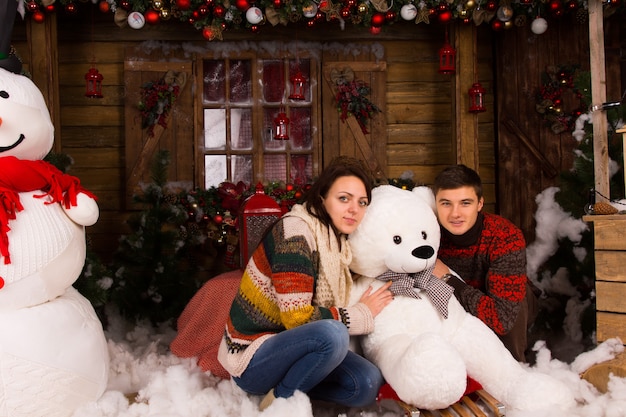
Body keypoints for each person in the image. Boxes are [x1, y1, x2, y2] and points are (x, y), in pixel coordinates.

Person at [217, 156, 394, 411]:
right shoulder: (296, 233)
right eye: (344, 198)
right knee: (333, 334)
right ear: (322, 198)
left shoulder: (337, 243)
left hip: (298, 353)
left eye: (362, 202)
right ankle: (281, 403)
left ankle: (293, 384)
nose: (354, 208)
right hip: (254, 356)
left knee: (366, 383)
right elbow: (297, 320)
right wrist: (358, 315)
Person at [431, 164, 539, 362]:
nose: (455, 213)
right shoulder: (429, 234)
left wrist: (448, 279)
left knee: (516, 299)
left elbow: (501, 320)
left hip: (504, 306)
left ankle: (514, 369)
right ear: (435, 203)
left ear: (480, 204)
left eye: (465, 203)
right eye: (446, 203)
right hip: (458, 303)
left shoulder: (504, 236)